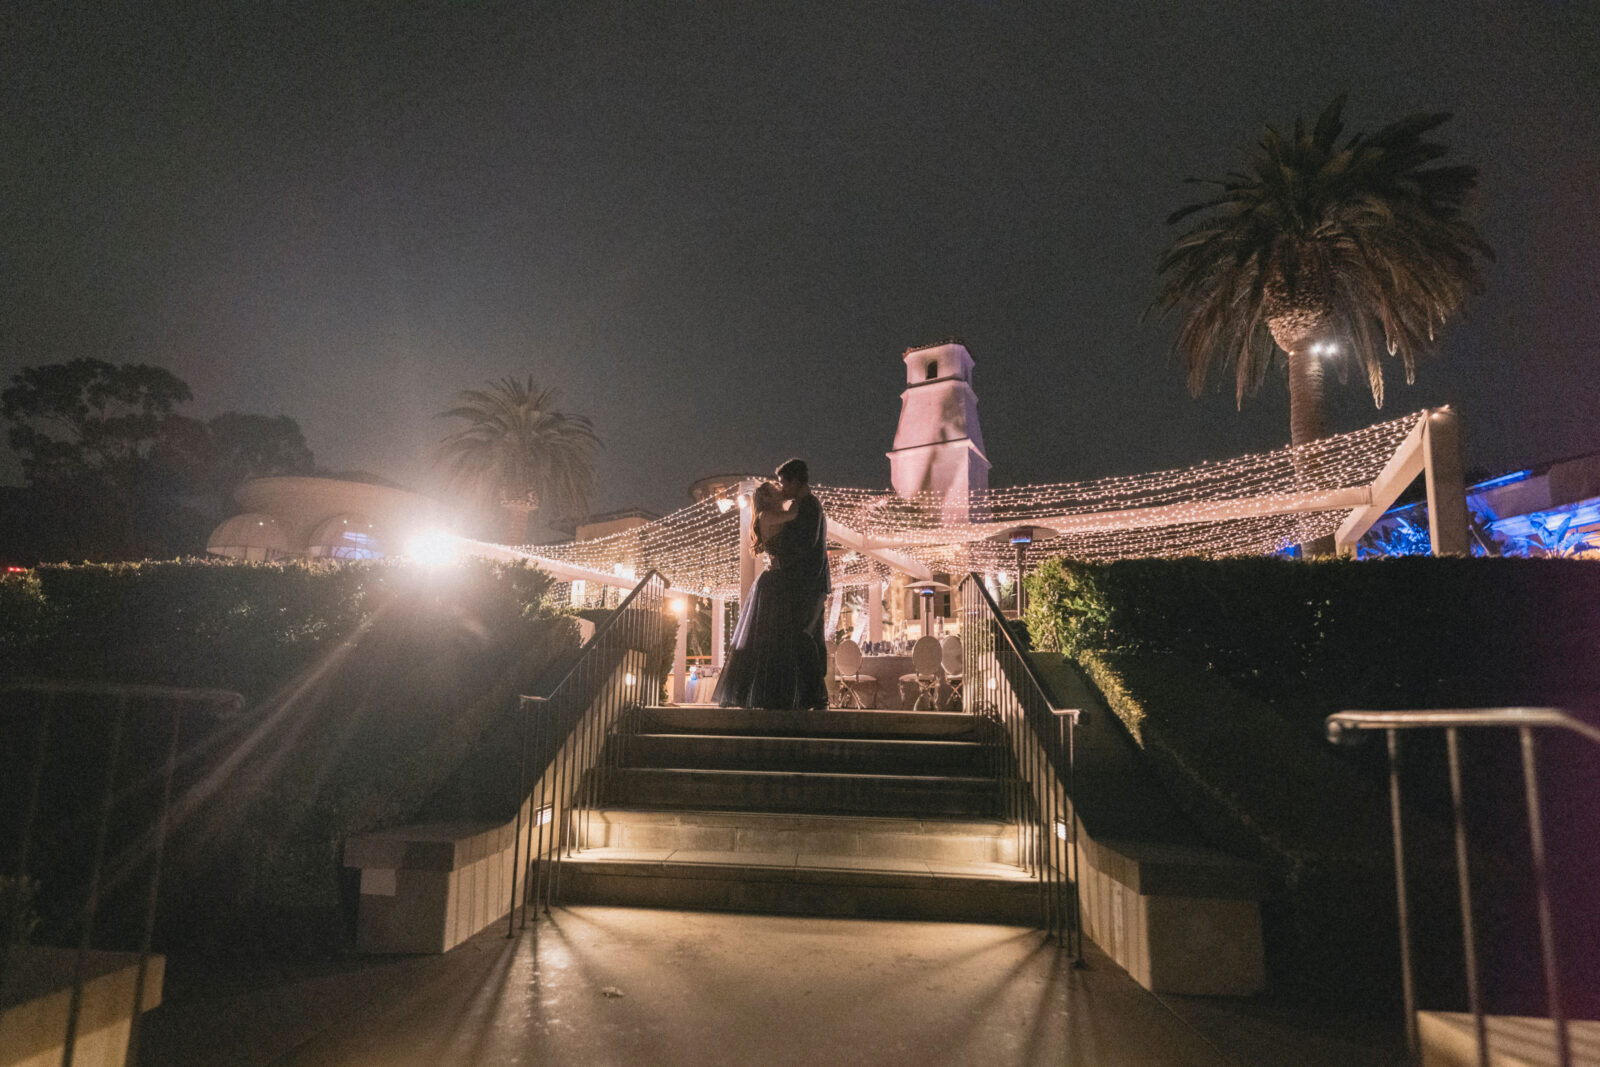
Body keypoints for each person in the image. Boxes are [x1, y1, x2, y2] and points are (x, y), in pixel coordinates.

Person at [712, 481, 802, 708]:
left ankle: (773, 692)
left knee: (771, 638)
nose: (779, 492)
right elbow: (794, 514)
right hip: (774, 582)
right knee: (765, 638)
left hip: (779, 580)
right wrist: (800, 493)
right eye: (775, 491)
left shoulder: (768, 515)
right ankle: (758, 693)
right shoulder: (766, 516)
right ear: (767, 498)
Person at [762, 458, 831, 710]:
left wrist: (780, 558)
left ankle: (816, 695)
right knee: (812, 637)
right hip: (811, 583)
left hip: (809, 583)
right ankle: (811, 694)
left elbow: (805, 544)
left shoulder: (809, 507)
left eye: (784, 483)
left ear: (795, 481)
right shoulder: (804, 507)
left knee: (803, 634)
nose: (783, 489)